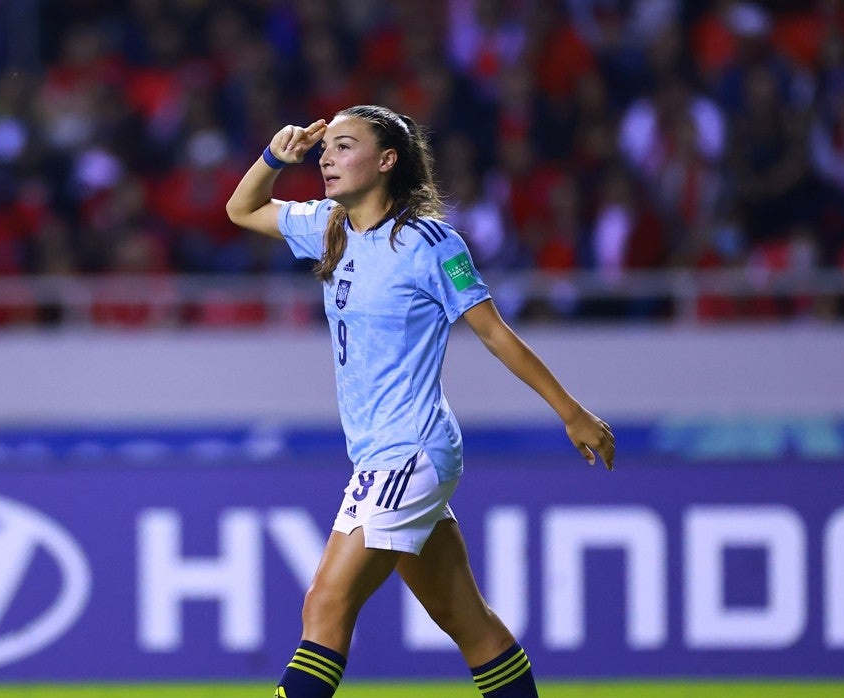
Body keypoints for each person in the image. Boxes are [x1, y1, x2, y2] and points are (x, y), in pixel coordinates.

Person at [225, 104, 615, 698]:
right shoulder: (329, 225)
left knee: (325, 604)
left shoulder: (429, 242)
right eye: (326, 147)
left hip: (409, 451)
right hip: (381, 454)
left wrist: (572, 412)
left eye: (344, 145)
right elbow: (242, 208)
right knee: (466, 619)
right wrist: (277, 157)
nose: (327, 156)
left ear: (387, 161)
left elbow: (493, 332)